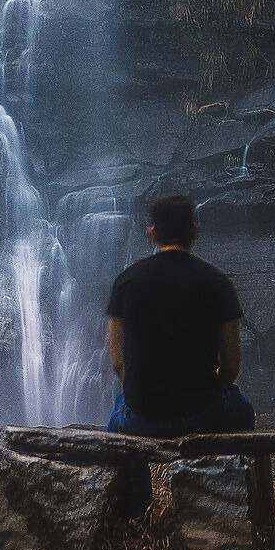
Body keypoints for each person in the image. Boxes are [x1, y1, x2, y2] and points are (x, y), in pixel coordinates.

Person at [104, 195, 254, 509]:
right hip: (206, 412)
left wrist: (147, 393)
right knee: (243, 410)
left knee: (117, 423)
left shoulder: (126, 283)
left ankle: (136, 514)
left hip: (143, 417)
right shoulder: (218, 284)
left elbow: (119, 364)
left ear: (153, 233)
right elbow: (230, 368)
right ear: (195, 232)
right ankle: (227, 502)